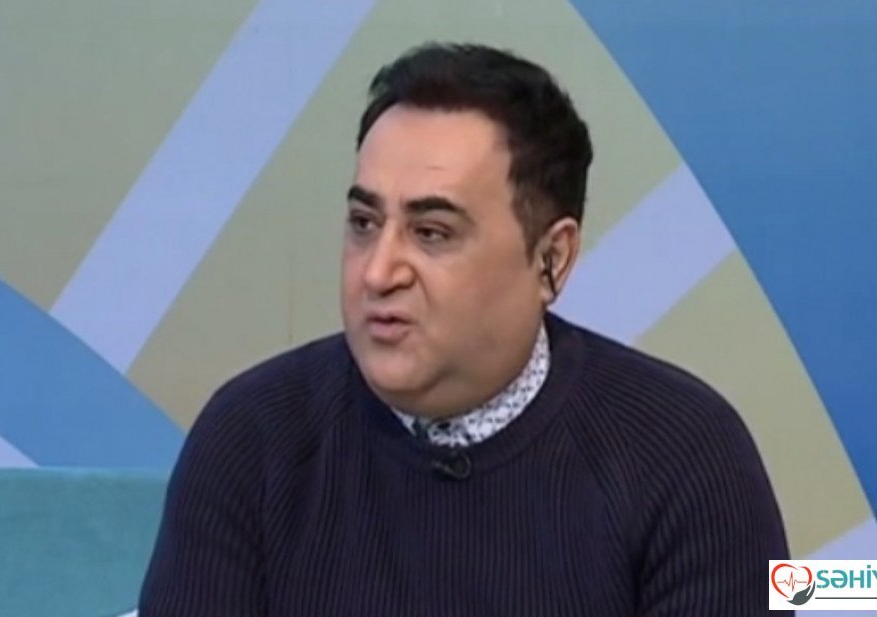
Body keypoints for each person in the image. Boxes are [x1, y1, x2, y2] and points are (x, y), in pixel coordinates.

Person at [140, 42, 789, 616]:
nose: (378, 272)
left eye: (431, 233)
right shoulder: (251, 438)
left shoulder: (685, 456)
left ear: (552, 259)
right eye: (365, 224)